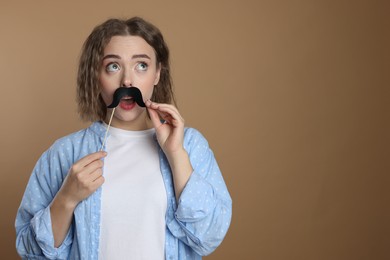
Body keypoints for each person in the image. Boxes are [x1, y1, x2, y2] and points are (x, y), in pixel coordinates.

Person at [15, 17, 232, 259]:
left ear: (157, 74)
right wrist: (66, 199)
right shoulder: (64, 153)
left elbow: (210, 236)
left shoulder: (190, 145)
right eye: (113, 66)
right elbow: (30, 252)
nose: (127, 81)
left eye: (141, 65)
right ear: (96, 76)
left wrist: (176, 154)